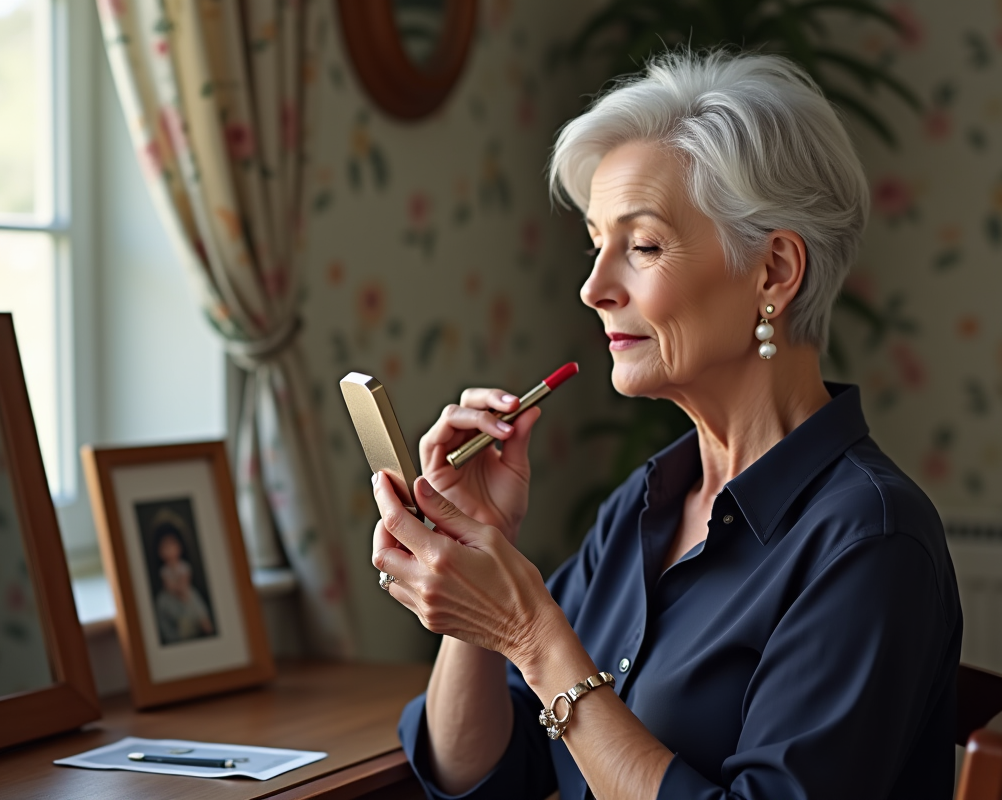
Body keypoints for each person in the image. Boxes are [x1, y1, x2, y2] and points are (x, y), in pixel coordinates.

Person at [372, 50, 962, 800]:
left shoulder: (870, 541)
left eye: (643, 246)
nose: (593, 288)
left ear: (775, 272)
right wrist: (474, 561)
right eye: (596, 244)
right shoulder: (645, 506)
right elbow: (480, 776)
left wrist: (531, 633)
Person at [152, 522, 215, 643]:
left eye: (172, 544)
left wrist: (182, 590)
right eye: (165, 547)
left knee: (194, 600)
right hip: (171, 595)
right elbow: (168, 585)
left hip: (185, 591)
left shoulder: (184, 566)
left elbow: (185, 580)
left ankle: (204, 623)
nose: (169, 550)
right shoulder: (164, 571)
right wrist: (177, 590)